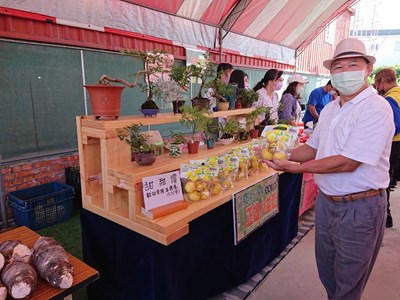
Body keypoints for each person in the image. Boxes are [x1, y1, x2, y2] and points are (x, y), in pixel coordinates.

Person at [265, 37, 394, 300]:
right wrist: (281, 153)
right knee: (328, 274)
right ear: (331, 72)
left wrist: (296, 169)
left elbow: (349, 161)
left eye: (353, 65)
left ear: (368, 69)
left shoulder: (376, 108)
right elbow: (312, 148)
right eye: (338, 67)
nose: (345, 73)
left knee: (348, 282)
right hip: (326, 203)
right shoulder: (331, 108)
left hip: (360, 207)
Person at [374, 67, 400, 228]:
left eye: (376, 84)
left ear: (383, 82)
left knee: (384, 179)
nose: (376, 88)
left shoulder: (391, 99)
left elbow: (394, 125)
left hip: (393, 144)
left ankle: (385, 216)